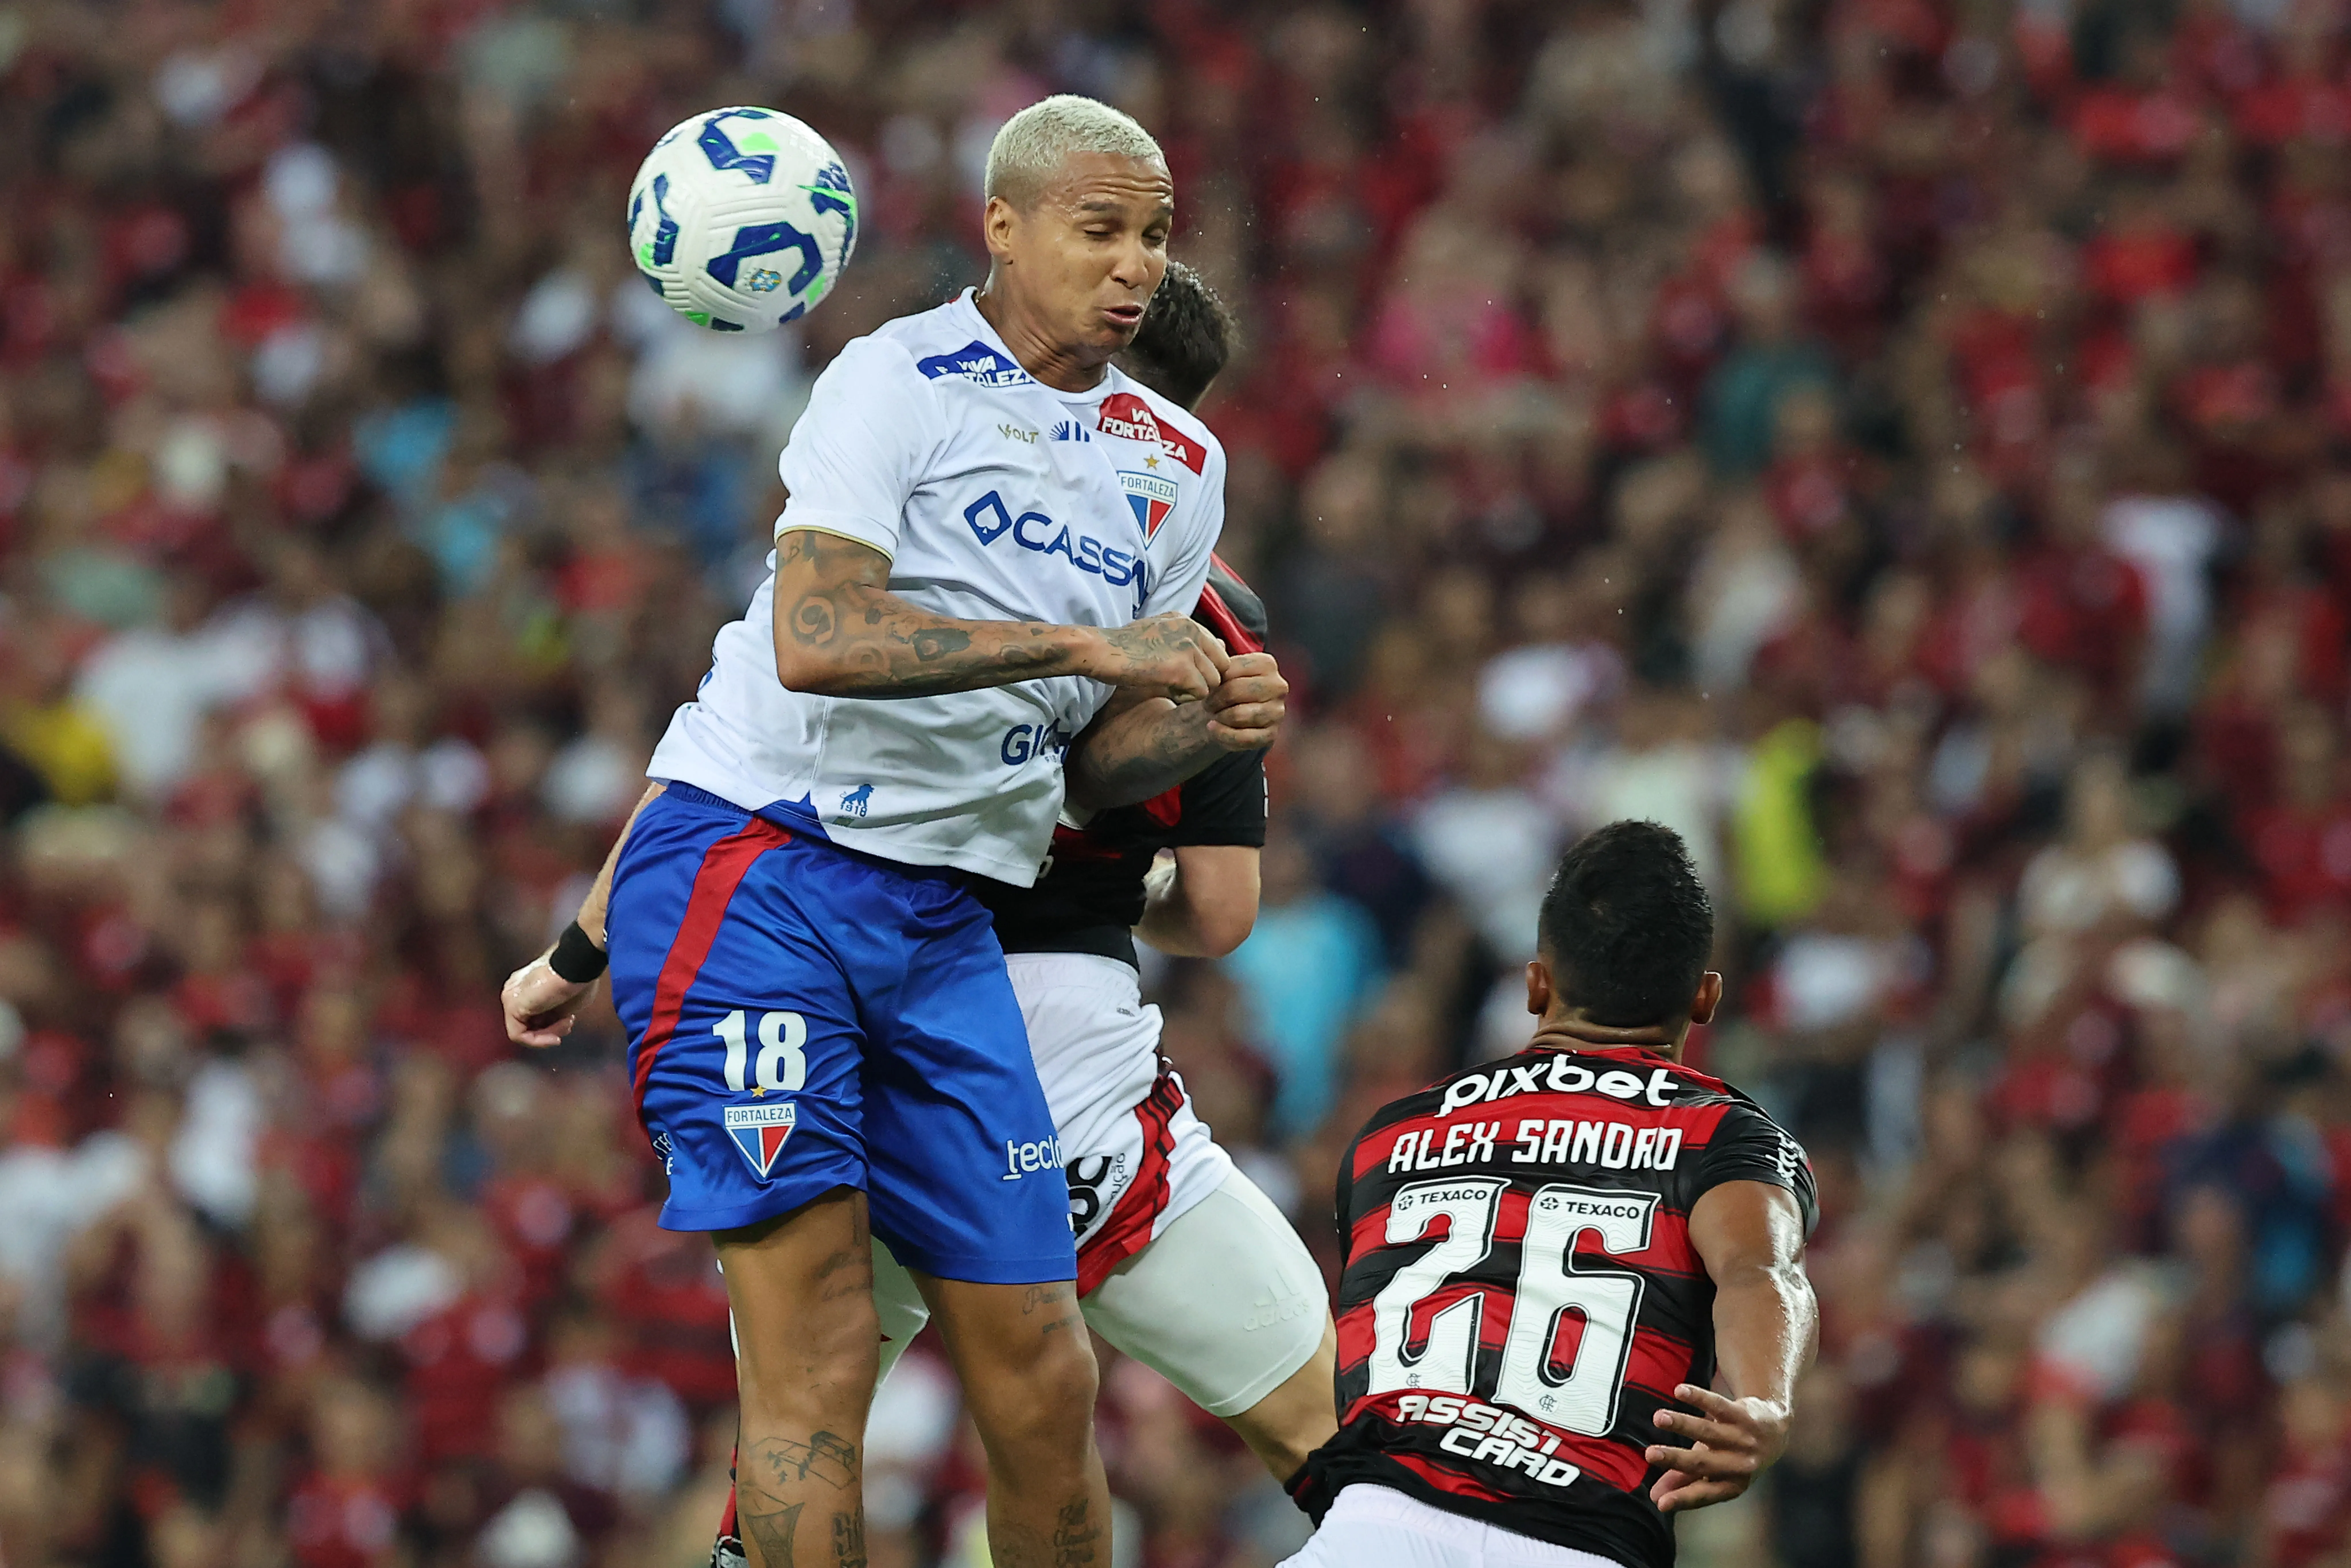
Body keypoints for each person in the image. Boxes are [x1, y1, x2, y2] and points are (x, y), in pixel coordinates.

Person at [503, 96, 1289, 1568]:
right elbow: (811, 637)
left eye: (1155, 238)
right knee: (815, 1370)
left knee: (1045, 1369)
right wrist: (1098, 643)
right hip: (762, 879)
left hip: (941, 918)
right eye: (1098, 229)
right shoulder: (897, 380)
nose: (1133, 268)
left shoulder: (1179, 466)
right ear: (1003, 229)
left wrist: (1207, 722)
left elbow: (1089, 769)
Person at [1282, 820, 1817, 1568]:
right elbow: (1763, 1271)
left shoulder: (1387, 1136)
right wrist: (1766, 1405)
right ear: (1704, 999)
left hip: (1374, 1527)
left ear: (1537, 984)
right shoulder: (1723, 1135)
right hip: (1581, 1538)